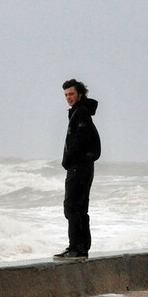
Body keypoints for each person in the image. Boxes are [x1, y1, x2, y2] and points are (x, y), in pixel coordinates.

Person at [54, 79, 101, 260]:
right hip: (84, 167)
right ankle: (81, 248)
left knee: (71, 207)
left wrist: (69, 160)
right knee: (80, 209)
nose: (68, 98)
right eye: (66, 95)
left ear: (80, 94)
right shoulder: (80, 112)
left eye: (71, 94)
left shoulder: (80, 113)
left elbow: (80, 140)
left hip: (79, 167)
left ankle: (76, 248)